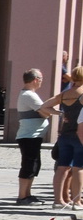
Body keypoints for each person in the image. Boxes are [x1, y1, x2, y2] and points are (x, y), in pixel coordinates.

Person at [14, 68, 53, 205]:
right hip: (29, 136)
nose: (41, 82)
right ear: (35, 80)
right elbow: (45, 112)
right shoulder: (28, 95)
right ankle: (22, 197)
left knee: (34, 165)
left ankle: (28, 194)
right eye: (41, 79)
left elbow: (44, 111)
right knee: (28, 165)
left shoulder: (30, 94)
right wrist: (53, 112)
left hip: (33, 136)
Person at [50, 68, 83, 209]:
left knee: (62, 167)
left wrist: (61, 113)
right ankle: (77, 201)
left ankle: (58, 201)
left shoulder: (64, 94)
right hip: (79, 135)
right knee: (79, 169)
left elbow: (43, 107)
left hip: (65, 134)